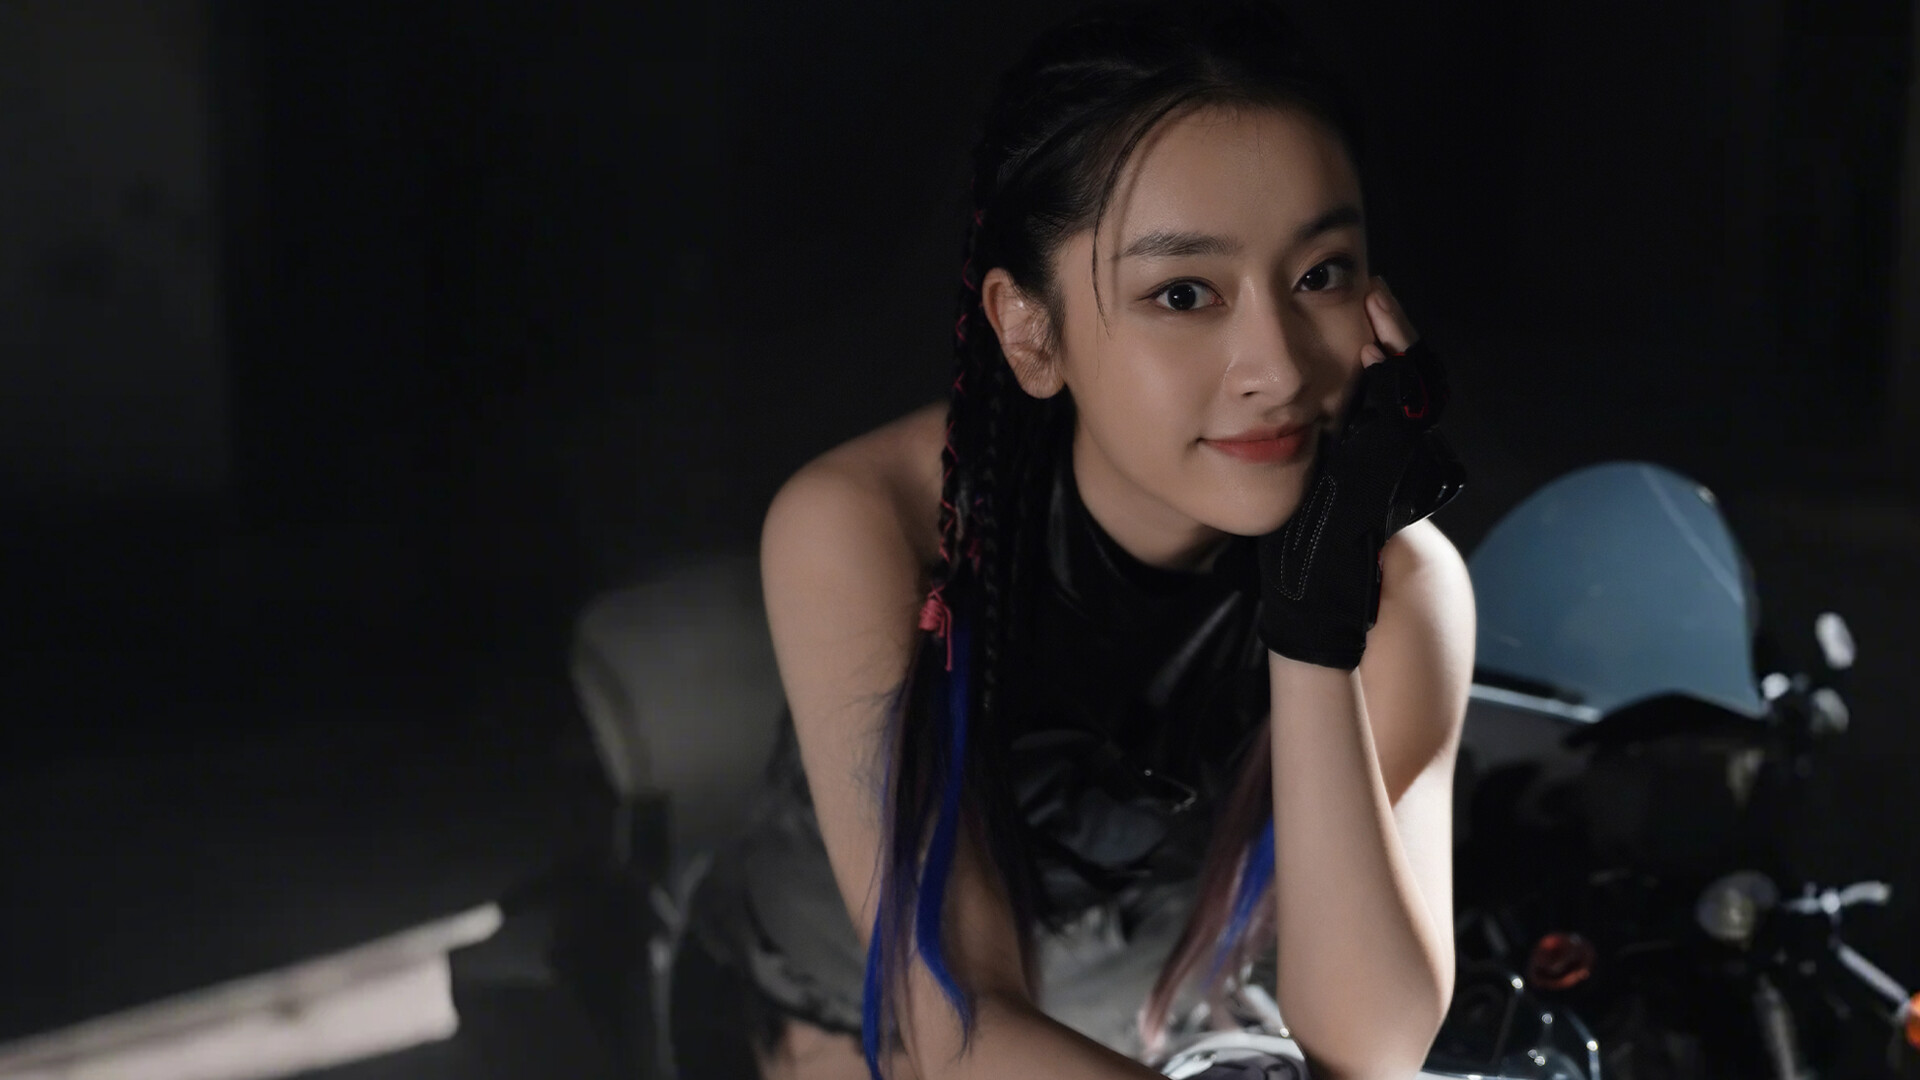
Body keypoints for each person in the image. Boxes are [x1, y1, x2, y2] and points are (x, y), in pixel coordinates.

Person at [668, 2, 1475, 1077]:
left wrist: (1314, 624)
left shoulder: (1402, 585)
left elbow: (1371, 1048)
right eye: (1183, 293)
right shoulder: (873, 523)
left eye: (1320, 275)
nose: (1279, 369)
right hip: (845, 1015)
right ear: (1030, 331)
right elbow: (958, 1024)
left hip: (1144, 1017)